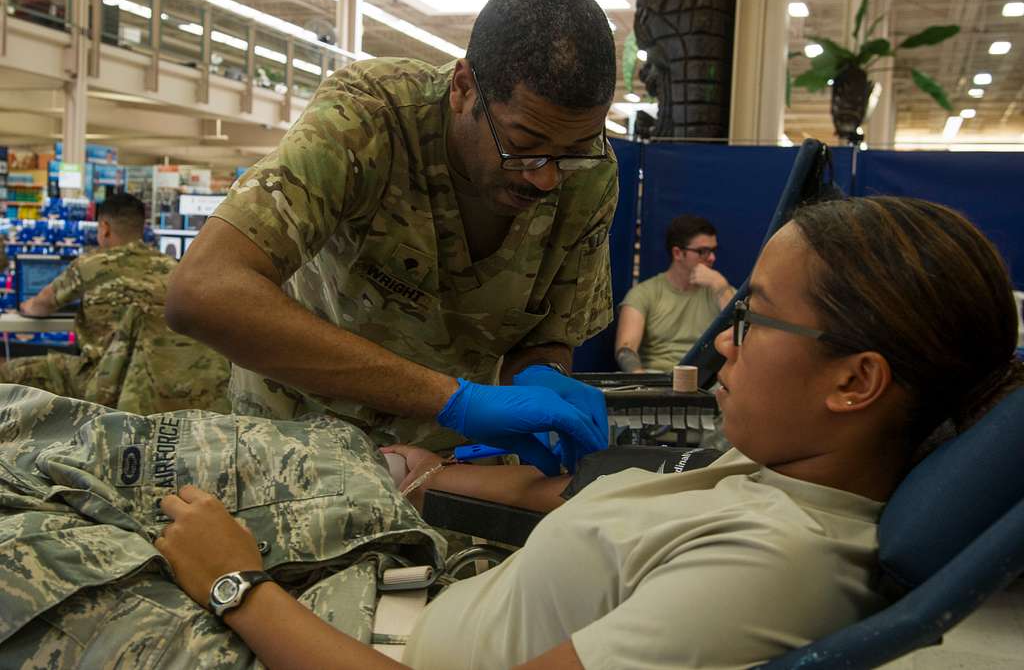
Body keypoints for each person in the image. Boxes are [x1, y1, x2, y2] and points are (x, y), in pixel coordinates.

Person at [4, 196, 1020, 668]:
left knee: (26, 556)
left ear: (855, 379)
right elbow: (563, 513)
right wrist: (422, 469)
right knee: (54, 438)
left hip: (320, 643)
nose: (722, 349)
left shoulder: (775, 563)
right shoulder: (760, 470)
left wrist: (238, 585)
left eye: (752, 317)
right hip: (347, 593)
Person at [164, 0, 617, 471]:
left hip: (454, 463)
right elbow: (202, 292)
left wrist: (544, 374)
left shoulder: (590, 172)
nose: (546, 177)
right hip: (298, 452)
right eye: (523, 146)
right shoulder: (369, 117)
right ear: (463, 89)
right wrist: (453, 401)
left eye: (573, 151)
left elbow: (545, 333)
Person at [0, 193, 229, 412]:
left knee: (9, 373)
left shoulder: (91, 264)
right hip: (165, 384)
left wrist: (24, 306)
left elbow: (39, 307)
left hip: (103, 380)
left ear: (105, 228)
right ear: (141, 228)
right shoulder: (173, 268)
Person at [616, 214, 734, 373]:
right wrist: (641, 382)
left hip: (707, 384)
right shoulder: (644, 293)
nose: (712, 258)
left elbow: (743, 335)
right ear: (678, 253)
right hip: (658, 379)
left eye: (713, 250)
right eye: (703, 251)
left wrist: (720, 285)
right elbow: (625, 349)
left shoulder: (721, 290)